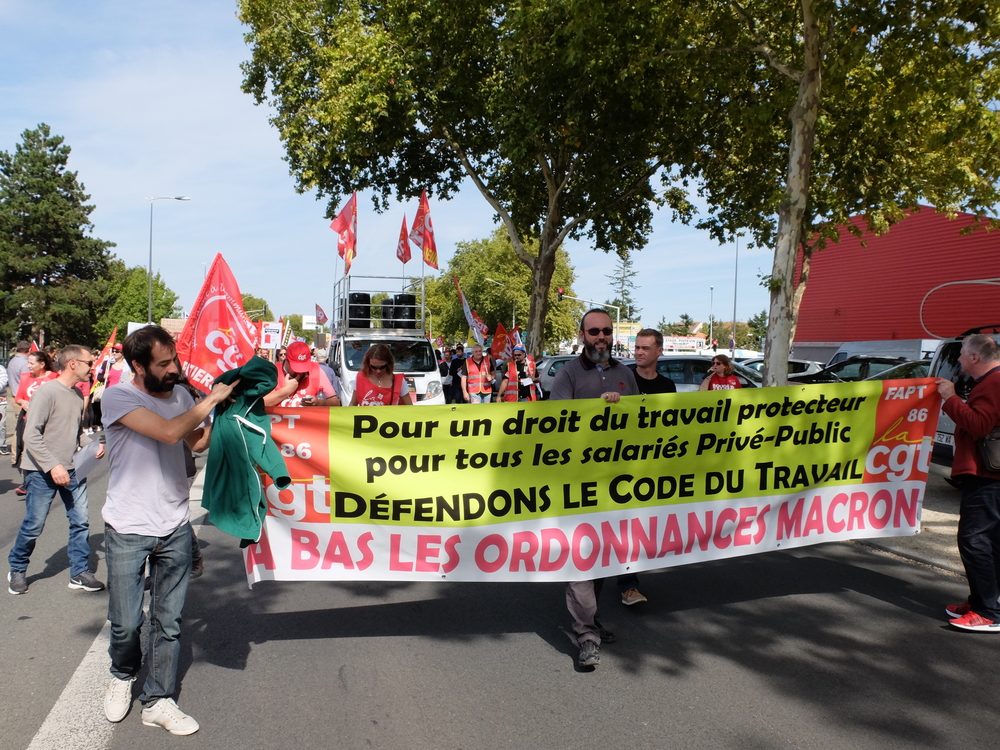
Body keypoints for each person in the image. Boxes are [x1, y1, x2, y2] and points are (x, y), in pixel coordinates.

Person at [100, 325, 238, 734]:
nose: (174, 368)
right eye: (163, 363)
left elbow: (195, 442)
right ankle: (123, 673)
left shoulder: (181, 395)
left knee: (169, 621)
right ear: (138, 366)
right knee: (126, 622)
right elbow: (167, 432)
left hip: (175, 524)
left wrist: (226, 415)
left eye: (175, 359)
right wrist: (210, 399)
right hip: (128, 525)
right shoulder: (118, 396)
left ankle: (158, 700)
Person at [550, 309, 640, 668]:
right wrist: (595, 410)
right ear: (582, 335)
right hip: (578, 483)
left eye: (606, 330)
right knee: (581, 556)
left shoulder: (625, 375)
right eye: (594, 331)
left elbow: (642, 422)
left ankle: (590, 618)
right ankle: (586, 635)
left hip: (615, 484)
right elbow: (557, 425)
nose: (601, 336)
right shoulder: (567, 374)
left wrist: (623, 409)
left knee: (602, 555)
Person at [7, 346, 106, 595]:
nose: (93, 367)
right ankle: (17, 568)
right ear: (73, 363)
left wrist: (90, 445)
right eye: (89, 363)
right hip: (41, 471)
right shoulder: (47, 392)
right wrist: (53, 465)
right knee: (34, 524)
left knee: (80, 522)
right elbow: (31, 435)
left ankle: (79, 572)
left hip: (73, 468)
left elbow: (74, 432)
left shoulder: (76, 394)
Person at [936, 334, 1000, 632]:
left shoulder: (993, 383)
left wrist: (950, 398)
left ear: (975, 357)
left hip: (987, 477)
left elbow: (979, 425)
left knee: (974, 540)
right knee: (990, 541)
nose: (959, 358)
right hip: (988, 475)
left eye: (962, 353)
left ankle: (988, 612)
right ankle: (983, 602)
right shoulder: (991, 381)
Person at [13, 351, 58, 495]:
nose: (28, 366)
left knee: (45, 448)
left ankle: (49, 474)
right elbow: (18, 397)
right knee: (26, 448)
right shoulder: (25, 377)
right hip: (27, 418)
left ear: (42, 364)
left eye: (31, 363)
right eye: (28, 362)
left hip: (48, 421)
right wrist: (22, 401)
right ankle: (27, 481)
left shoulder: (54, 377)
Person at [263, 340, 339, 408]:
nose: (300, 372)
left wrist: (319, 403)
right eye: (296, 367)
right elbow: (261, 403)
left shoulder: (317, 371)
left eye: (304, 366)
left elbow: (336, 402)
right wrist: (286, 391)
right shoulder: (273, 372)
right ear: (287, 360)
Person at [349, 344, 413, 406]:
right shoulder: (360, 377)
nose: (378, 371)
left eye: (382, 367)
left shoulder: (399, 381)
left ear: (389, 363)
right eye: (374, 367)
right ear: (368, 364)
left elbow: (410, 408)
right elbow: (353, 404)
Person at [631, 328, 677, 396]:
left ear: (659, 351)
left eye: (645, 348)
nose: (639, 352)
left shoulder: (668, 385)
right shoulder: (624, 380)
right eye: (637, 348)